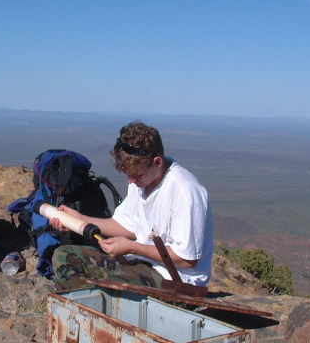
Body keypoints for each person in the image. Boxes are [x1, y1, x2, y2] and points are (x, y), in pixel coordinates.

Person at [51, 121, 213, 289]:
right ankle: (85, 303)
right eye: (128, 175)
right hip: (137, 264)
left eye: (137, 176)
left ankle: (90, 304)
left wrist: (132, 247)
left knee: (109, 287)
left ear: (157, 162)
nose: (131, 181)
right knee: (64, 256)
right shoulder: (142, 180)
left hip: (173, 279)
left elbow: (187, 259)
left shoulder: (185, 192)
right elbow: (125, 225)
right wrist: (78, 219)